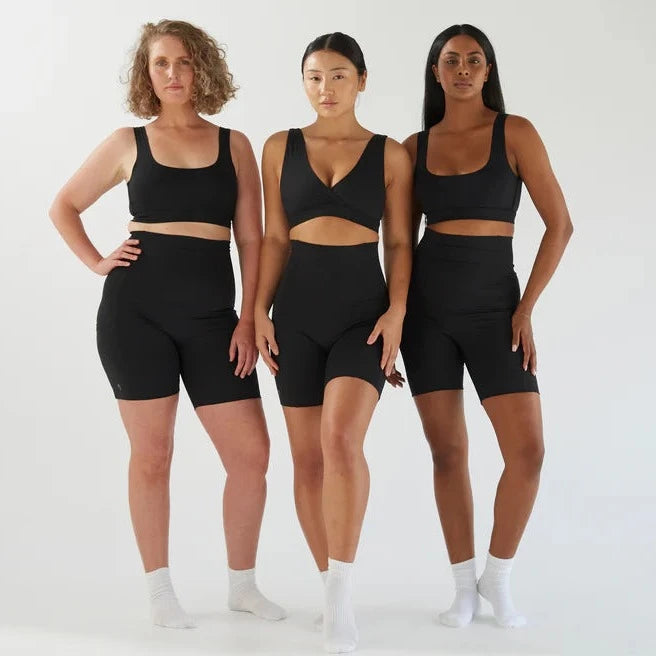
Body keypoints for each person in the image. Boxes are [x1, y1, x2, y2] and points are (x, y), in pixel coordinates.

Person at [49, 19, 285, 629]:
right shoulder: (129, 141)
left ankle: (242, 585)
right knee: (152, 455)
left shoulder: (235, 144)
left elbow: (251, 239)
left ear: (202, 67)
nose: (173, 74)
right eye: (160, 64)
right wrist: (99, 261)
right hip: (136, 312)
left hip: (215, 320)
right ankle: (160, 592)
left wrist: (249, 316)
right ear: (146, 73)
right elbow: (64, 205)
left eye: (183, 62)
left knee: (251, 456)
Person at [401, 24, 573, 628]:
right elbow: (398, 243)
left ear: (488, 69)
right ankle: (461, 589)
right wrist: (394, 317)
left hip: (496, 311)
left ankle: (497, 578)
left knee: (527, 451)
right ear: (436, 71)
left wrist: (524, 309)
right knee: (448, 452)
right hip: (426, 314)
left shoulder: (515, 132)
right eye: (452, 61)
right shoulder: (412, 148)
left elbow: (560, 225)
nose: (464, 69)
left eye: (475, 60)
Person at [254, 32, 412, 653]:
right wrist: (257, 311)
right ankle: (327, 586)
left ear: (363, 81)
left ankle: (341, 596)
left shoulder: (391, 155)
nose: (326, 88)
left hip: (362, 316)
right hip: (293, 314)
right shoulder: (278, 148)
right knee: (307, 461)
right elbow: (274, 239)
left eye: (339, 75)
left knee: (342, 441)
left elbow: (399, 243)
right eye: (315, 76)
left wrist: (398, 311)